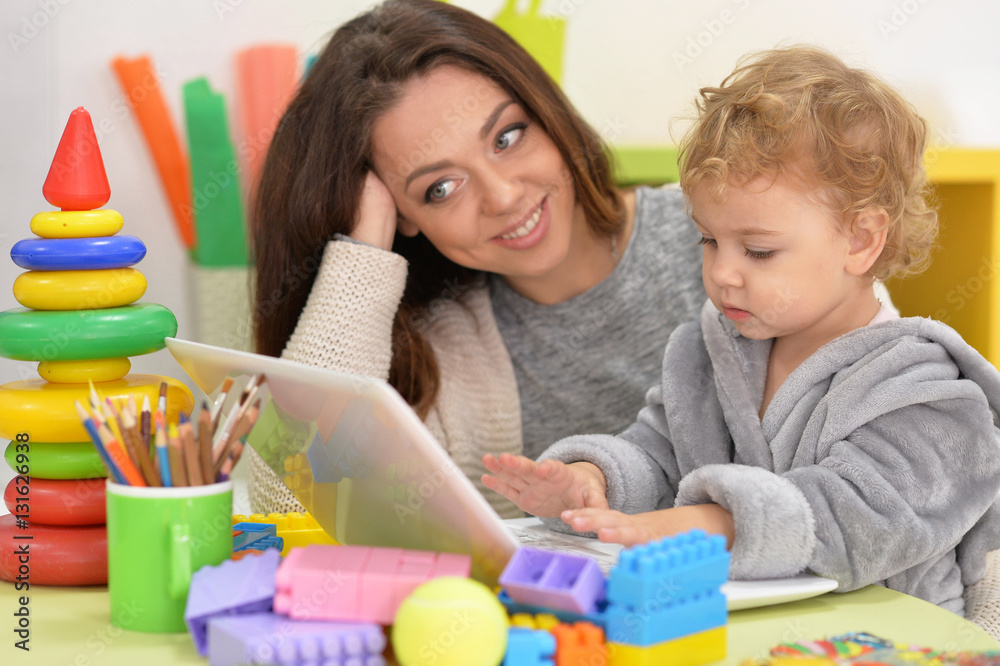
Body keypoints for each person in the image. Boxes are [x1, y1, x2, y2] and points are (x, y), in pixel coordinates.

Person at [482, 45, 1000, 614]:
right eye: (709, 240)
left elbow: (861, 516)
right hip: (758, 632)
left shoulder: (928, 393)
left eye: (758, 250)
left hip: (890, 641)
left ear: (860, 240)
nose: (723, 272)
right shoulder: (712, 355)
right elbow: (660, 455)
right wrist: (595, 481)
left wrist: (713, 523)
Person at [247, 0, 709, 517]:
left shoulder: (722, 238)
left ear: (546, 113)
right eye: (440, 187)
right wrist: (361, 253)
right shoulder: (436, 355)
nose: (503, 196)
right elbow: (287, 508)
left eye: (506, 137)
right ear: (403, 214)